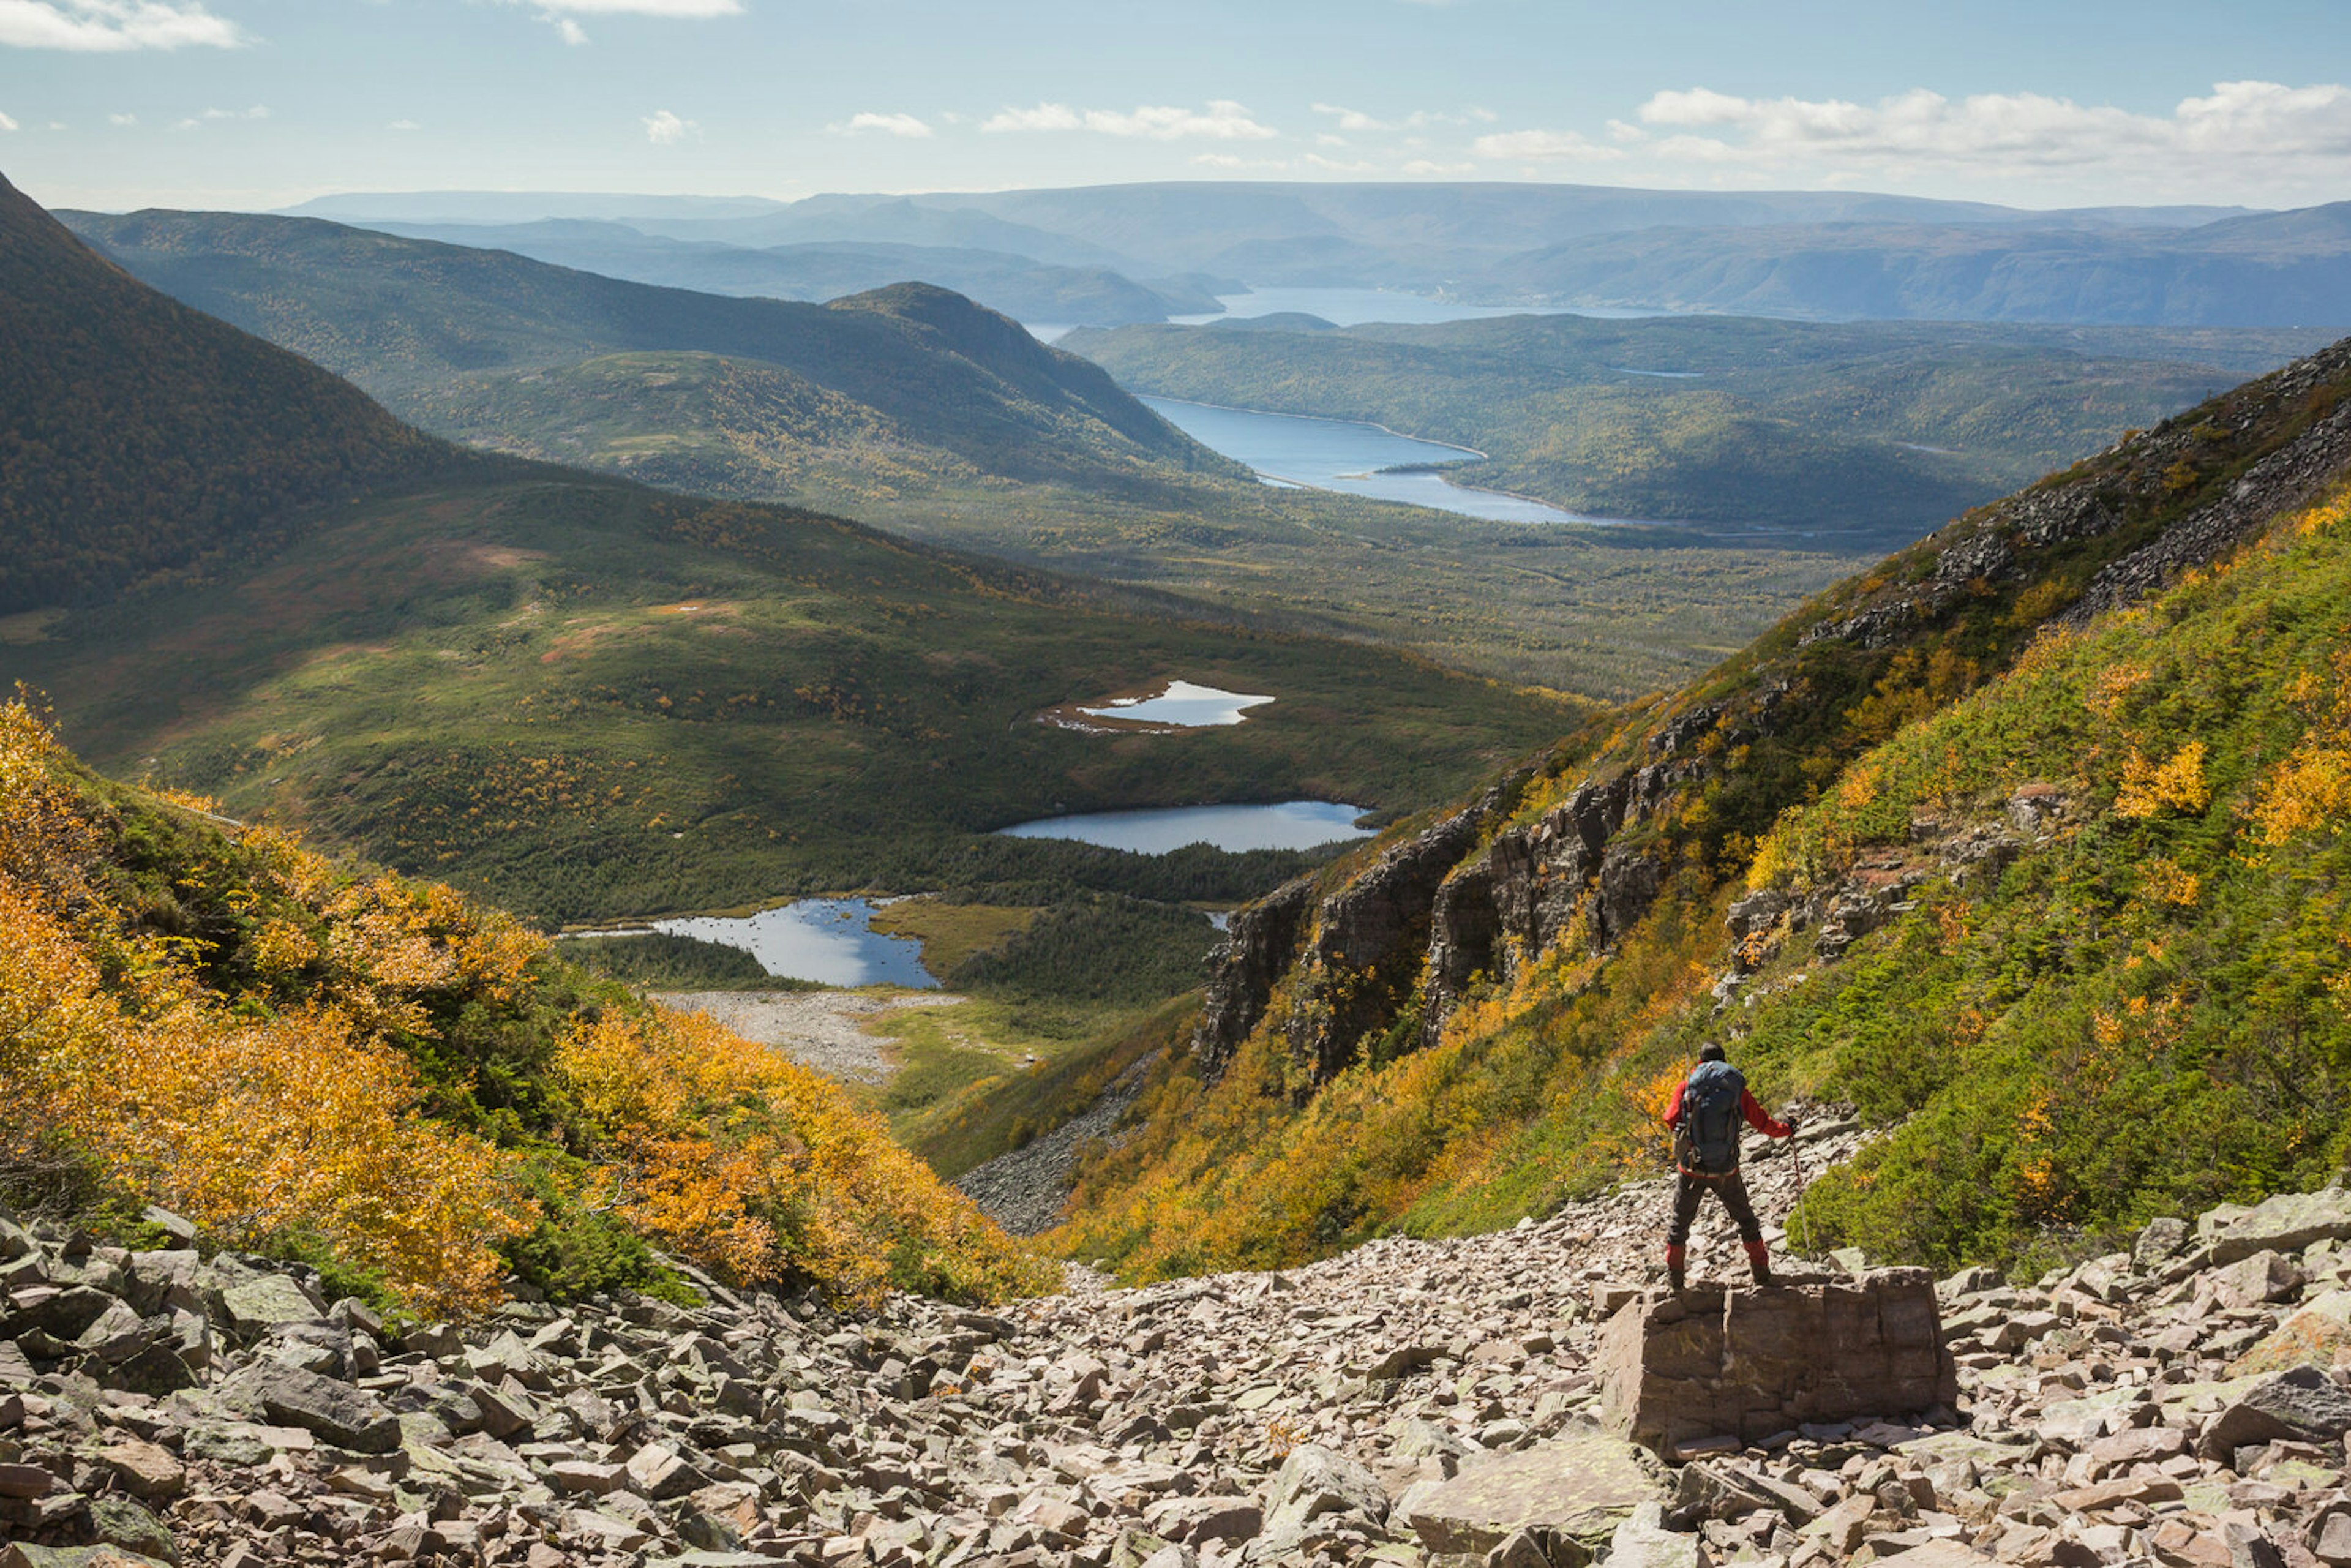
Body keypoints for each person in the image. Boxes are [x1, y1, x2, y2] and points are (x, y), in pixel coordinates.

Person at [1660, 1041, 1794, 1289]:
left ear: (1700, 1062)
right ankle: (1762, 1274)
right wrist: (1787, 1129)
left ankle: (1675, 1283)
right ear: (1723, 1061)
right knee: (1747, 1222)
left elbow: (1669, 1119)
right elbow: (1763, 1124)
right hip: (1726, 1170)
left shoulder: (1686, 1086)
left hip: (1692, 1168)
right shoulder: (1735, 1089)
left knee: (1679, 1225)